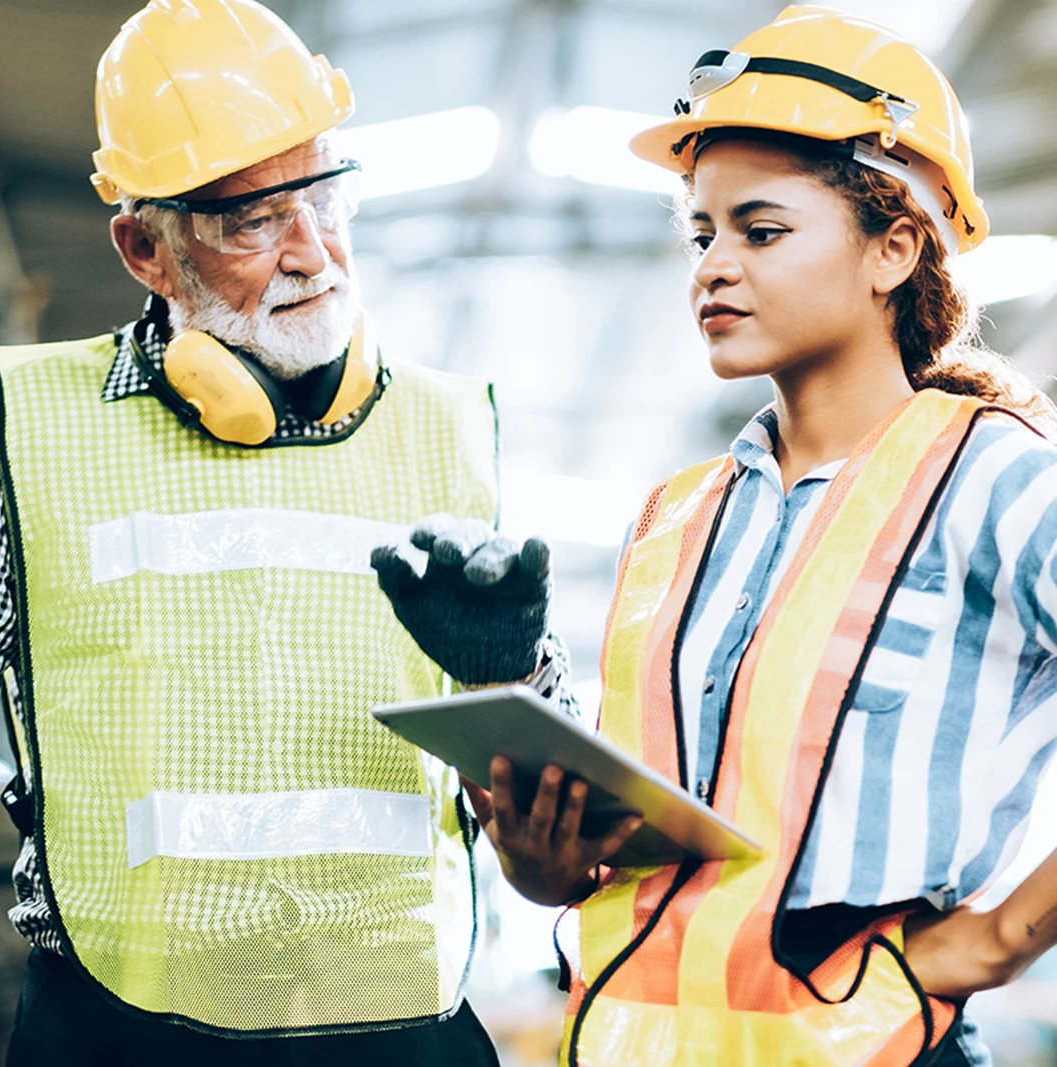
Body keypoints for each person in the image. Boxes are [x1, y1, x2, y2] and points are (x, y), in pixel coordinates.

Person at [0, 1, 571, 1061]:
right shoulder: (38, 416)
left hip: (397, 1033)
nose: (312, 253)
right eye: (253, 220)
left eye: (326, 193)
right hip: (114, 1035)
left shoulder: (445, 424)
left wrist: (504, 671)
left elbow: (564, 791)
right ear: (145, 248)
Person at [373, 6, 1057, 1065]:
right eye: (701, 232)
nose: (710, 266)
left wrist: (995, 938)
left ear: (894, 247)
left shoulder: (996, 477)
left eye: (760, 229)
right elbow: (615, 864)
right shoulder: (676, 517)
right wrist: (531, 825)